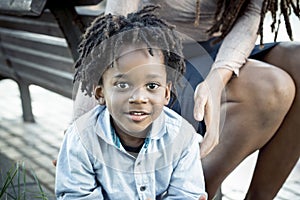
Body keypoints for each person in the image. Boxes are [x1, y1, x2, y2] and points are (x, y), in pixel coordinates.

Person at [72, 0, 300, 199]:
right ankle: (191, 190)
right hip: (162, 57)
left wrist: (217, 78)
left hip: (221, 48)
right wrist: (80, 131)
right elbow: (117, 27)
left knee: (297, 59)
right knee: (272, 87)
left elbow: (251, 14)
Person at [55, 6, 207, 200]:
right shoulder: (81, 139)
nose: (139, 98)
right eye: (123, 84)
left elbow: (186, 195)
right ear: (100, 93)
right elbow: (76, 195)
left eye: (152, 85)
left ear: (166, 93)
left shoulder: (183, 138)